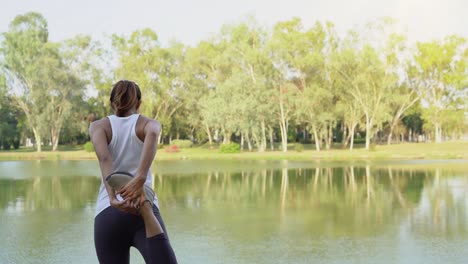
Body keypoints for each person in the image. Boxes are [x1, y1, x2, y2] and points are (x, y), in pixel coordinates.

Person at [89, 80, 177, 264]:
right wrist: (140, 177)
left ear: (112, 102)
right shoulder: (149, 123)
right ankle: (145, 208)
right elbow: (153, 133)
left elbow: (105, 160)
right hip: (143, 207)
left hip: (109, 210)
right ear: (138, 103)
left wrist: (113, 197)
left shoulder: (98, 126)